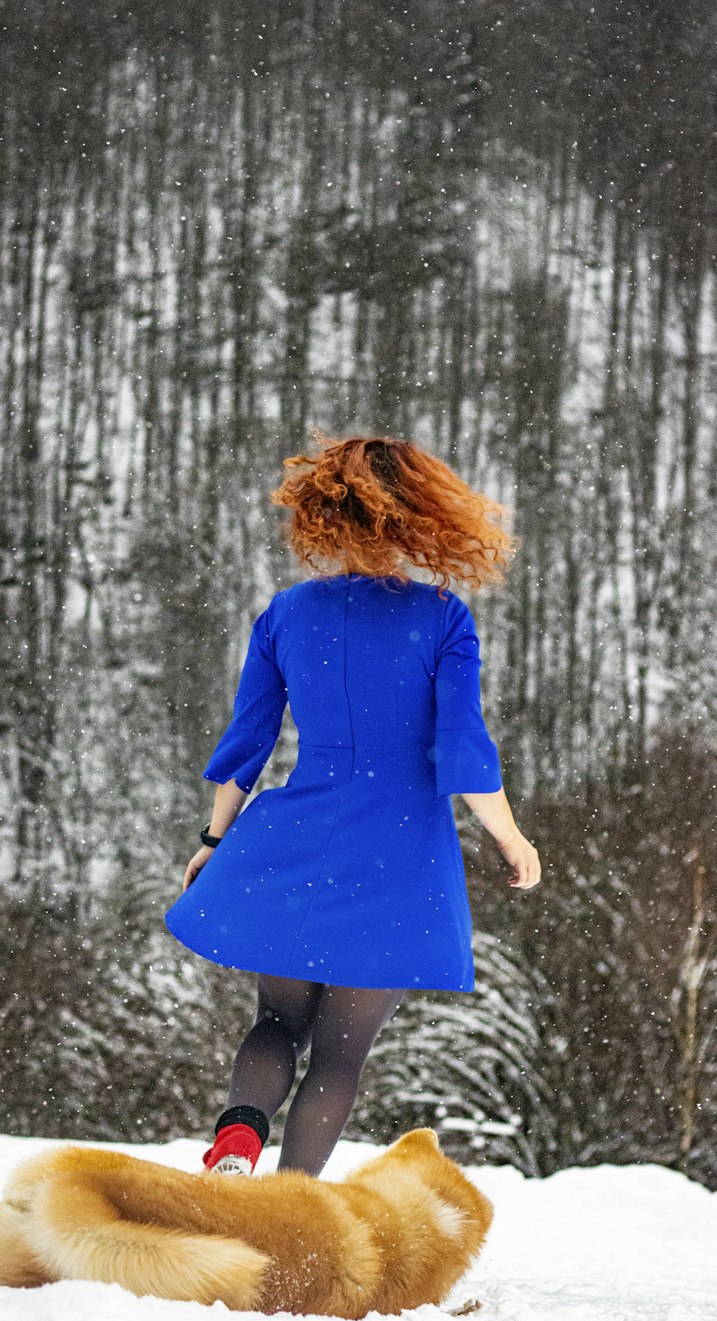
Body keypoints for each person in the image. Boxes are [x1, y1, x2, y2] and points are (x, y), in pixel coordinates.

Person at [164, 432, 540, 1178]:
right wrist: (511, 839)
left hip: (301, 833)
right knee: (339, 1056)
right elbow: (463, 751)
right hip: (399, 855)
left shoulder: (288, 613)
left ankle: (237, 1138)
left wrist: (213, 838)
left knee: (276, 1023)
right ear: (420, 515)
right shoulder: (441, 617)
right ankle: (293, 1201)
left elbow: (249, 741)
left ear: (323, 514)